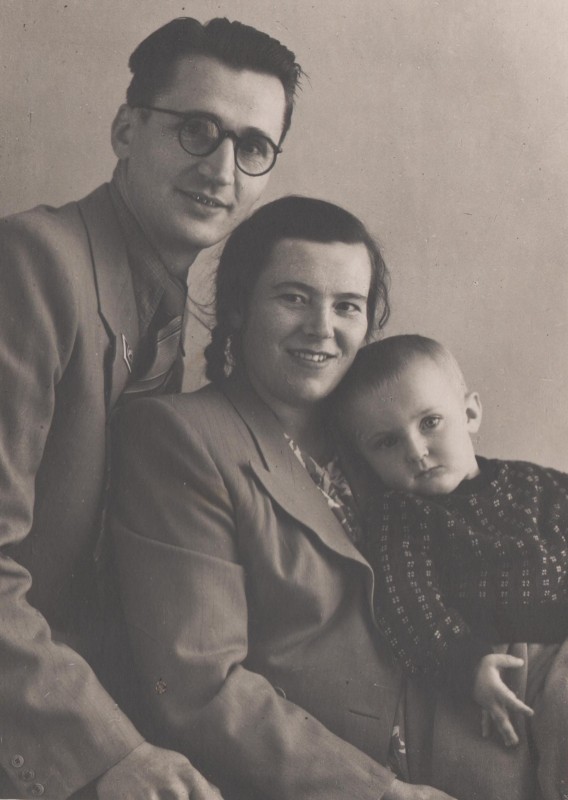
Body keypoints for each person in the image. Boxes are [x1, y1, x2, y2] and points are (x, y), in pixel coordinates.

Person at [0, 16, 301, 800]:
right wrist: (110, 755)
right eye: (196, 130)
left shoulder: (168, 309)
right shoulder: (34, 264)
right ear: (126, 130)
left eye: (252, 146)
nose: (221, 170)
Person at [109, 195, 469, 800]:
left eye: (347, 306)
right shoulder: (178, 436)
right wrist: (381, 793)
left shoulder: (379, 433)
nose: (322, 328)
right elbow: (202, 688)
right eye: (294, 298)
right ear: (239, 307)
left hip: (463, 737)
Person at [331, 333, 568, 800]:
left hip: (561, 647)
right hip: (479, 666)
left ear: (470, 413)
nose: (416, 450)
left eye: (430, 422)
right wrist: (466, 665)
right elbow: (405, 601)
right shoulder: (401, 516)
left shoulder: (536, 485)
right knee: (492, 778)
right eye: (387, 442)